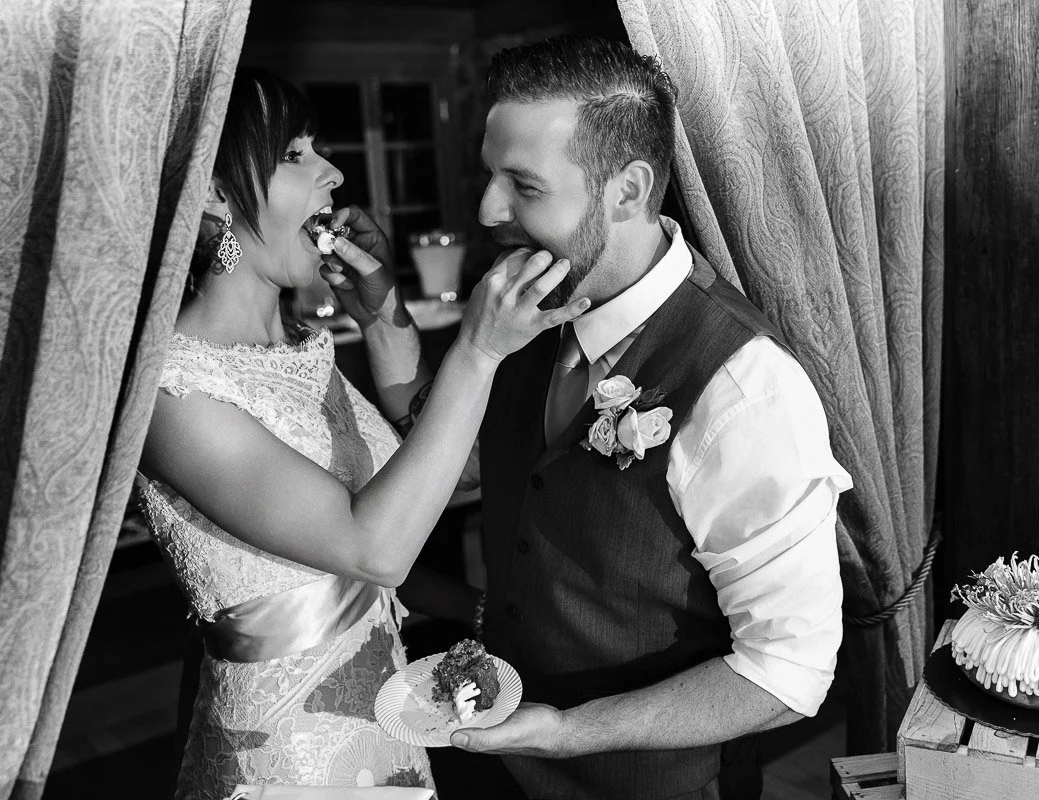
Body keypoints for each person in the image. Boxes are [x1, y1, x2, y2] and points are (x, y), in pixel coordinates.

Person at [137, 67, 588, 799]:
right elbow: (372, 547)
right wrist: (476, 349)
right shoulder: (173, 393)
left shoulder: (302, 351)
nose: (334, 171)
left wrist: (383, 320)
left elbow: (449, 481)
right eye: (293, 155)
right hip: (286, 761)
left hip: (383, 732)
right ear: (214, 193)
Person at [446, 37, 853, 800]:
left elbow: (786, 673)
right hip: (498, 773)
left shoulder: (747, 388)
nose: (487, 210)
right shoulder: (518, 315)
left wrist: (571, 733)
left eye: (523, 186)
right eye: (489, 175)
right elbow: (477, 470)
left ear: (628, 190)